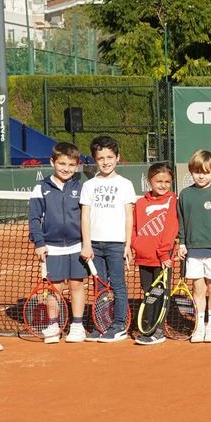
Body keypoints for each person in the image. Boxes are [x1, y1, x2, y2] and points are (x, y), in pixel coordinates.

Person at [28, 142, 89, 343]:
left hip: (76, 245)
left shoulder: (81, 188)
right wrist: (39, 242)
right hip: (51, 246)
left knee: (76, 285)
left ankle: (77, 325)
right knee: (54, 288)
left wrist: (87, 244)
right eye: (62, 163)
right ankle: (53, 325)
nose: (66, 168)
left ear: (77, 165)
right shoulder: (41, 188)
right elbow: (34, 218)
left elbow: (87, 218)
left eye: (71, 165)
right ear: (52, 162)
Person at [80, 135, 136, 342]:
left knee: (118, 286)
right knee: (100, 286)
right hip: (94, 245)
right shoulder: (89, 186)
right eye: (101, 157)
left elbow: (129, 215)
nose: (106, 161)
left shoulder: (125, 184)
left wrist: (127, 244)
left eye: (110, 157)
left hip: (116, 244)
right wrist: (86, 244)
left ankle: (119, 325)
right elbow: (85, 216)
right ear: (95, 160)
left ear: (117, 157)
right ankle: (101, 324)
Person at [177, 150, 211, 343]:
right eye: (198, 171)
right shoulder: (185, 195)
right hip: (193, 251)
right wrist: (182, 243)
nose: (201, 175)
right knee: (198, 289)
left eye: (206, 172)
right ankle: (199, 327)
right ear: (191, 171)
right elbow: (181, 221)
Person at [133, 162, 179, 346]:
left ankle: (157, 330)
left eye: (167, 181)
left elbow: (170, 229)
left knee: (161, 294)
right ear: (149, 181)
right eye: (159, 181)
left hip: (162, 259)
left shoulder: (172, 200)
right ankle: (148, 326)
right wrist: (135, 245)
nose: (163, 185)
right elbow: (134, 228)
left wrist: (163, 254)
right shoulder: (140, 203)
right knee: (148, 294)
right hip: (144, 257)